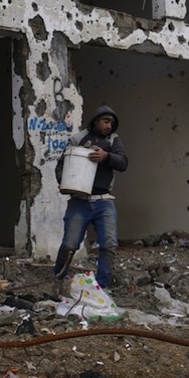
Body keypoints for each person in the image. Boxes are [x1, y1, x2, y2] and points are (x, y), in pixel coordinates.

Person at [53, 105, 128, 289]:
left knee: (109, 244)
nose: (109, 126)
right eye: (106, 121)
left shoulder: (113, 140)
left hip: (104, 200)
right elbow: (61, 165)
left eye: (111, 123)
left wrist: (106, 156)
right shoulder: (78, 139)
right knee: (69, 245)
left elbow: (123, 162)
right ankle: (57, 281)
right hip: (80, 201)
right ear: (95, 121)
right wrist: (63, 181)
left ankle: (102, 287)